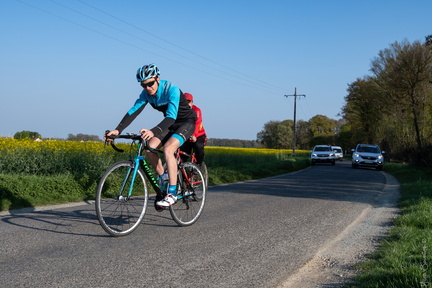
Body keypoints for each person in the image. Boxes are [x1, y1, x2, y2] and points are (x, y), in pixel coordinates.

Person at [105, 64, 196, 207]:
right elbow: (133, 111)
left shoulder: (171, 89)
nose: (148, 88)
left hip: (186, 123)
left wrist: (153, 131)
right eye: (143, 85)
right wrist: (118, 130)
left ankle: (172, 193)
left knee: (168, 149)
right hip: (170, 124)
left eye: (150, 83)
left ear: (157, 79)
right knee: (149, 147)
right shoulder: (146, 94)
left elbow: (171, 116)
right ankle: (164, 178)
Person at [180, 93, 207, 165]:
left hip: (198, 134)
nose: (187, 104)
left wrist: (194, 135)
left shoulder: (197, 110)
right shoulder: (179, 111)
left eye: (188, 102)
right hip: (186, 134)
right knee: (182, 156)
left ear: (192, 102)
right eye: (185, 102)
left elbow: (197, 123)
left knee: (198, 147)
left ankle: (199, 164)